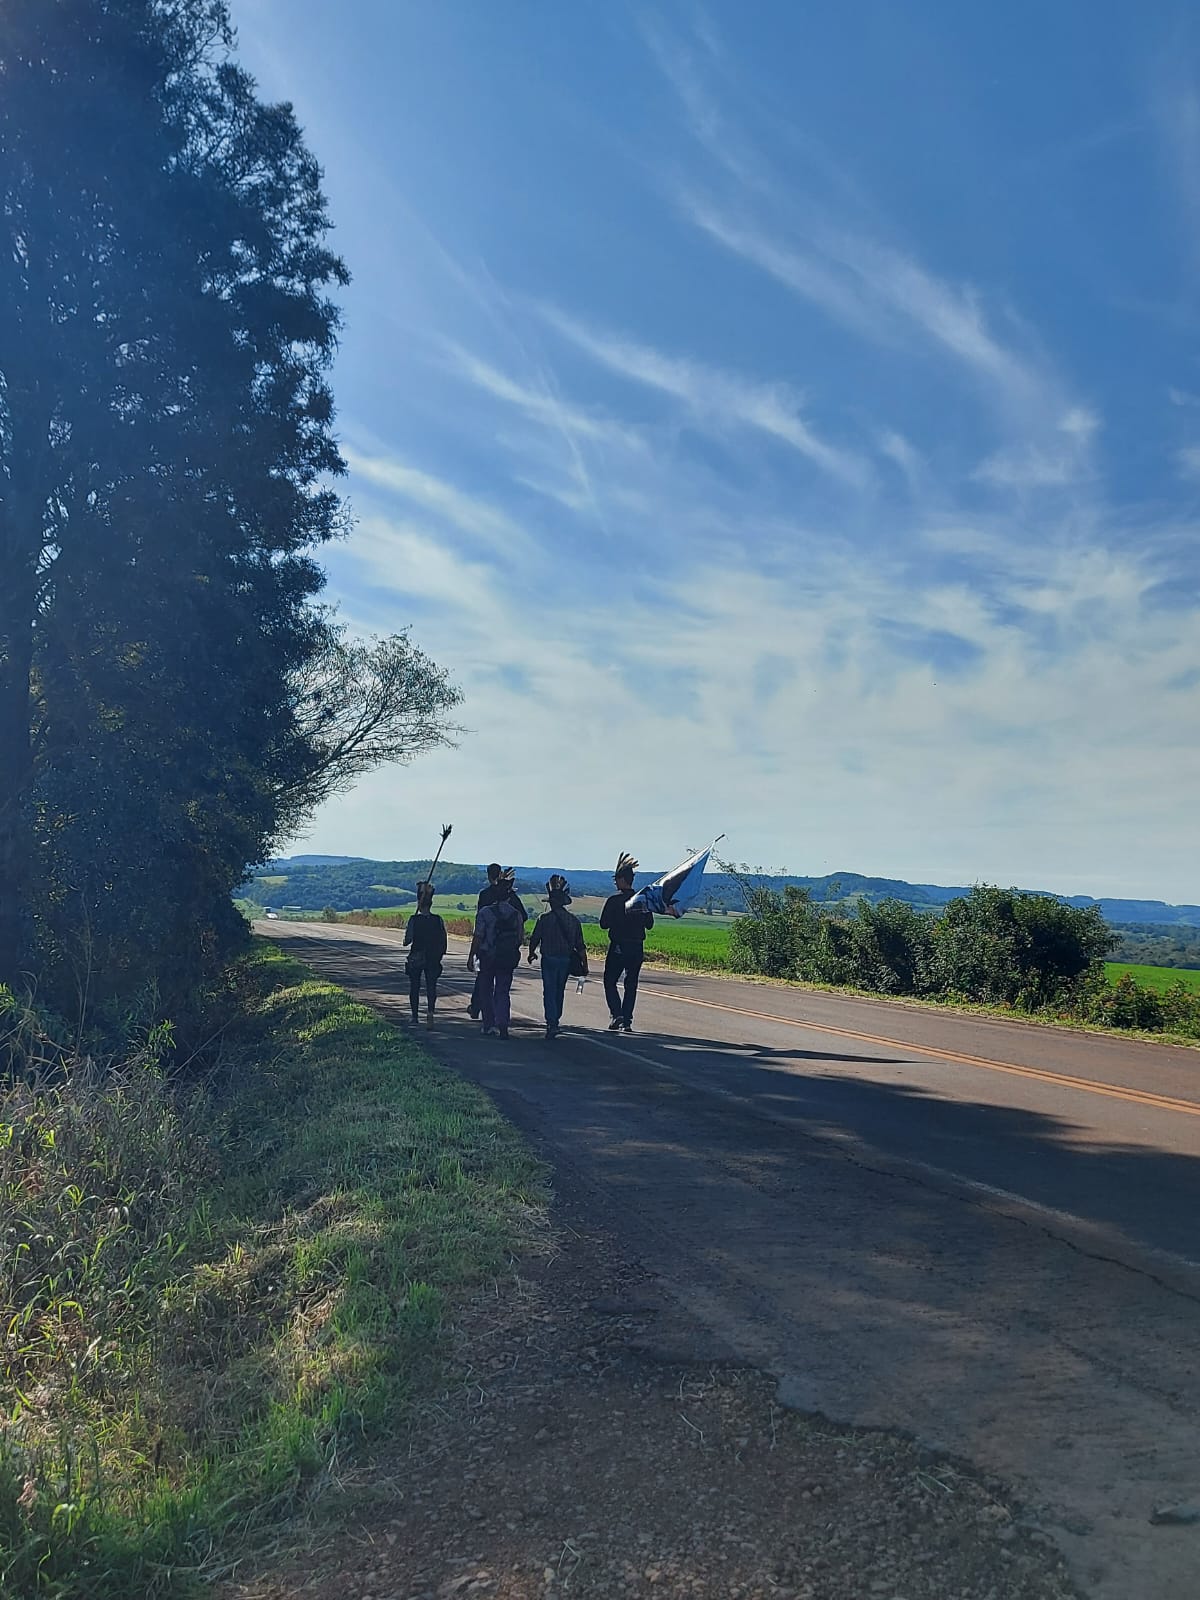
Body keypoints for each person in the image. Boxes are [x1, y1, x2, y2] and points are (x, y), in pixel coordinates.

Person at [528, 875, 588, 1040]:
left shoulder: (544, 919)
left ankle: (551, 1022)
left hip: (548, 959)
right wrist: (585, 964)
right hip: (565, 960)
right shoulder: (573, 921)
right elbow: (580, 945)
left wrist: (531, 952)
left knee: (549, 991)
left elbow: (534, 939)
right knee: (559, 991)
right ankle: (555, 1020)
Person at [600, 851, 653, 1033]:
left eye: (616, 879)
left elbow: (603, 924)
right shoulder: (642, 900)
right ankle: (627, 1020)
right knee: (631, 984)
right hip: (637, 946)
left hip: (619, 946)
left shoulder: (614, 901)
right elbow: (650, 924)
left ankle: (617, 1014)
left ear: (622, 879)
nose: (615, 882)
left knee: (609, 980)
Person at [468, 869, 524, 1038]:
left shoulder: (485, 913)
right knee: (502, 991)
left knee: (486, 990)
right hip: (507, 958)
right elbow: (519, 939)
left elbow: (478, 936)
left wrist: (472, 956)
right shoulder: (516, 914)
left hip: (487, 957)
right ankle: (503, 1024)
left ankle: (489, 1024)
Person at [403, 880, 446, 1028]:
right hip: (433, 957)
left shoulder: (414, 920)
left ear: (419, 903)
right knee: (431, 987)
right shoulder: (438, 920)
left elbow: (407, 941)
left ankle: (415, 1016)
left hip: (417, 957)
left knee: (414, 987)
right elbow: (443, 941)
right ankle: (430, 1013)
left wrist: (407, 935)